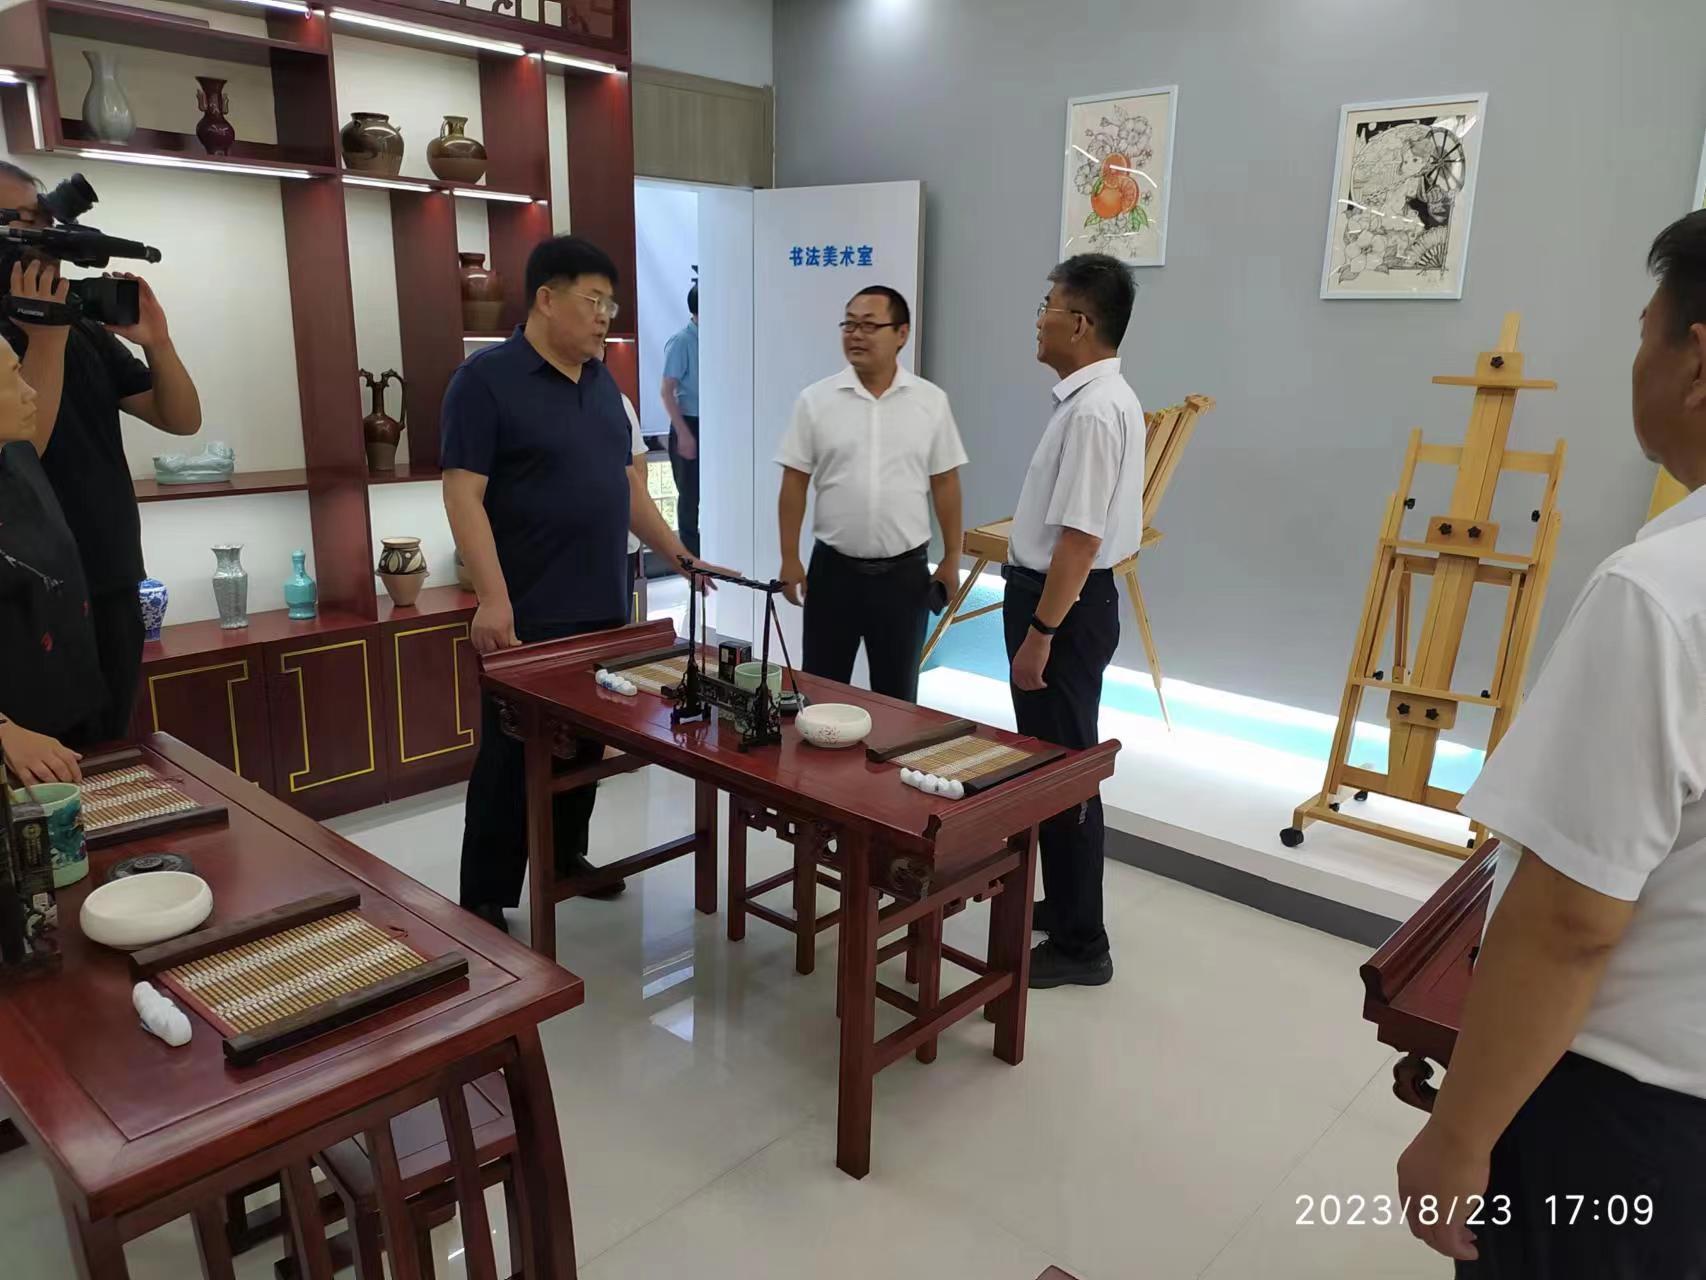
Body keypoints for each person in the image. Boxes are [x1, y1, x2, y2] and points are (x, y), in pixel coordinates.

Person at [1396, 210, 1706, 1275]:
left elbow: (1572, 917)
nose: (1635, 361)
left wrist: (1461, 1131)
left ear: (1696, 361)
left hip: (1623, 1111)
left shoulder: (1659, 593)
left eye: (1644, 334)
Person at [443, 235, 705, 936]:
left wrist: (677, 552)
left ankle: (565, 859)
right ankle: (485, 893)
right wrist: (492, 598)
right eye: (594, 301)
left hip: (601, 605)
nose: (605, 318)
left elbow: (628, 488)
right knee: (511, 757)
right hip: (527, 610)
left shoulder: (603, 388)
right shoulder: (485, 381)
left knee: (582, 745)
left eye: (611, 305)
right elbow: (463, 494)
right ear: (546, 298)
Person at [0, 161, 202, 742]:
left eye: (47, 221)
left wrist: (158, 342)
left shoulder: (82, 327)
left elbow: (180, 419)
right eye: (27, 222)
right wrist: (44, 336)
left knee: (112, 747)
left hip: (110, 572)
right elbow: (23, 452)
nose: (46, 240)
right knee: (51, 762)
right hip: (30, 591)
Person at [1006, 254, 1143, 990]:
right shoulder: (1098, 399)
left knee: (1063, 776)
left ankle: (1082, 943)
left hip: (1063, 608)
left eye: (1047, 306)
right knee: (1054, 767)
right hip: (1069, 603)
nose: (1038, 320)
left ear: (1081, 323)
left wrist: (1040, 634)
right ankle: (1065, 906)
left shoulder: (1094, 411)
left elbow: (1081, 540)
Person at [776, 286, 966, 703]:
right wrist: (789, 557)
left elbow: (946, 483)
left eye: (868, 325)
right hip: (833, 573)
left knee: (897, 700)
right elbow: (794, 482)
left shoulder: (930, 402)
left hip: (904, 577)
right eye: (849, 325)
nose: (856, 335)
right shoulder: (816, 400)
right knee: (822, 693)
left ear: (901, 333)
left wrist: (953, 557)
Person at [0, 338, 98, 785]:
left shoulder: (19, 455)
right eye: (13, 376)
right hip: (16, 748)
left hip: (70, 720)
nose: (30, 391)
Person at [661, 284, 700, 556]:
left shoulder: (718, 340)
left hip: (712, 426)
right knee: (689, 498)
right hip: (688, 424)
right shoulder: (682, 342)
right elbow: (666, 391)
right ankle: (692, 564)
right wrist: (683, 433)